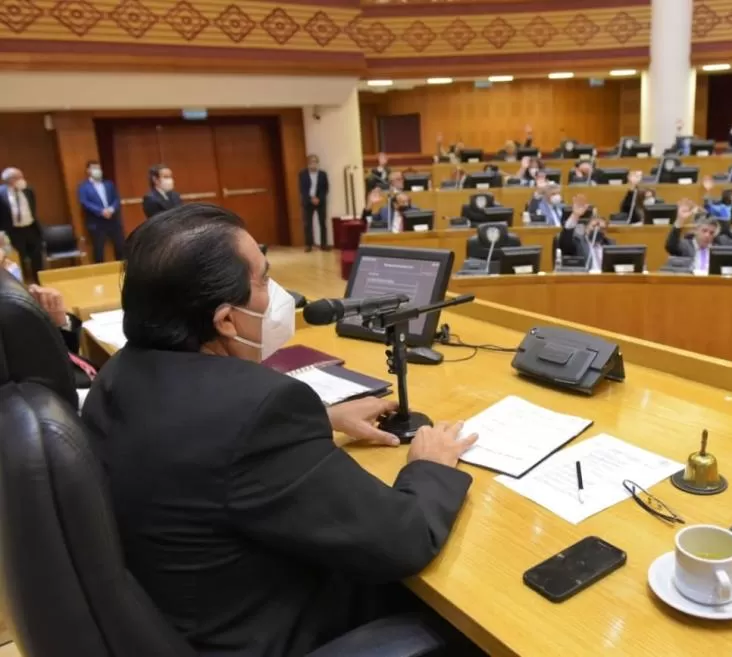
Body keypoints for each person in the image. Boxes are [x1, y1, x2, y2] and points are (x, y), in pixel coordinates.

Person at [81, 204, 478, 657]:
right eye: (265, 279)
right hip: (270, 631)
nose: (280, 294)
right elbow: (404, 539)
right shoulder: (257, 408)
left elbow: (199, 450)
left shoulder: (117, 373)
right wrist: (429, 466)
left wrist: (322, 422)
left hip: (185, 612)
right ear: (226, 320)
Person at [0, 167, 43, 283]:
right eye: (19, 177)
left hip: (31, 228)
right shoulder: (1, 193)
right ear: (11, 180)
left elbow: (32, 208)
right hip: (14, 232)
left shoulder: (29, 190)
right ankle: (24, 284)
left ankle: (39, 282)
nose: (23, 180)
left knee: (36, 257)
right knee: (20, 259)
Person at [78, 160, 124, 263]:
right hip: (96, 222)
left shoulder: (109, 184)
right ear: (88, 170)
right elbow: (85, 202)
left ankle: (123, 270)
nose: (97, 171)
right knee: (98, 250)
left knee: (120, 246)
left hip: (113, 220)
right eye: (94, 168)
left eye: (98, 168)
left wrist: (111, 209)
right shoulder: (84, 187)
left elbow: (116, 198)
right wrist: (101, 211)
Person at [557, 198, 614, 271]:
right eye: (594, 226)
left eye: (602, 228)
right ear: (586, 228)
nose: (597, 230)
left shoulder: (610, 244)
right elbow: (565, 241)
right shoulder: (577, 241)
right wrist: (575, 215)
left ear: (605, 232)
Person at [665, 199, 720, 273]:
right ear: (695, 230)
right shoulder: (685, 246)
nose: (707, 235)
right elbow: (670, 245)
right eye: (704, 231)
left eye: (711, 233)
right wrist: (680, 220)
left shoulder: (718, 250)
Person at [298, 154, 328, 253]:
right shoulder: (303, 174)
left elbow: (325, 189)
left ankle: (324, 244)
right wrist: (311, 198)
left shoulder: (323, 174)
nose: (314, 164)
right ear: (308, 164)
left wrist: (319, 198)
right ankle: (308, 244)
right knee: (307, 224)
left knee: (322, 223)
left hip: (320, 202)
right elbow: (302, 189)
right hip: (308, 201)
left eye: (315, 162)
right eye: (312, 162)